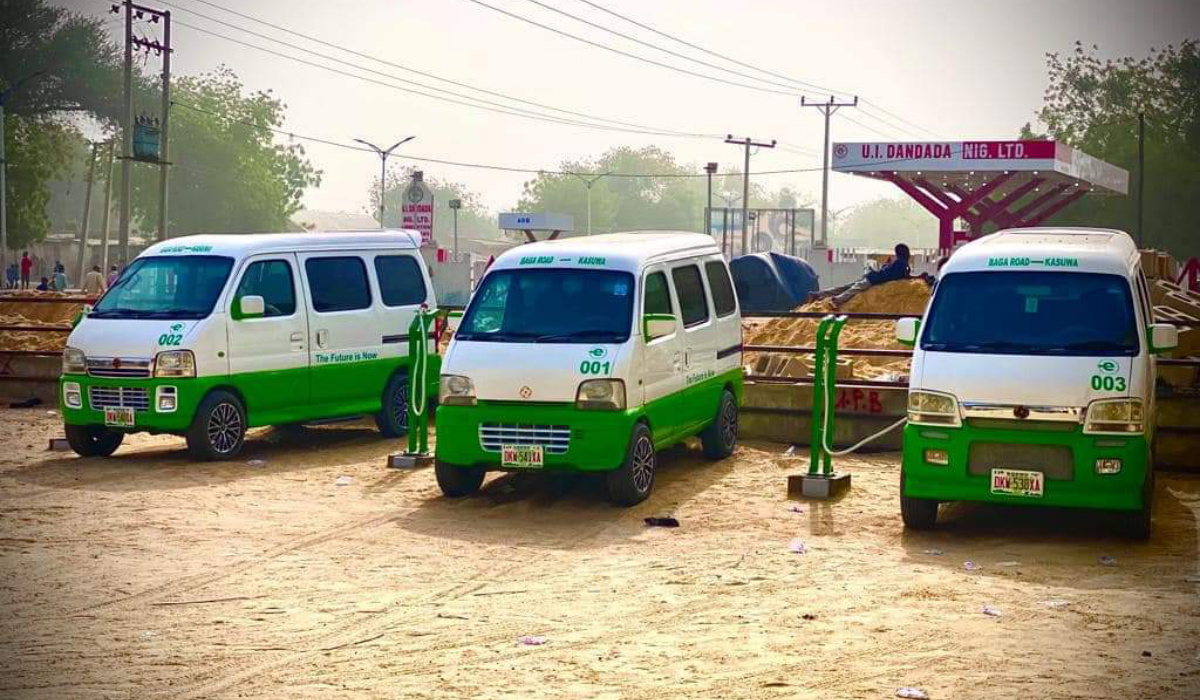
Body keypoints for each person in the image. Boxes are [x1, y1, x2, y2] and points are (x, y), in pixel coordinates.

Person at [829, 243, 912, 308]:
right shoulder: (904, 265)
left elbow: (886, 272)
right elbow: (895, 274)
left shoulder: (899, 263)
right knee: (853, 289)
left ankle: (824, 295)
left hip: (873, 278)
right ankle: (836, 300)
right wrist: (888, 264)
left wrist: (887, 264)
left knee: (849, 287)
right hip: (873, 279)